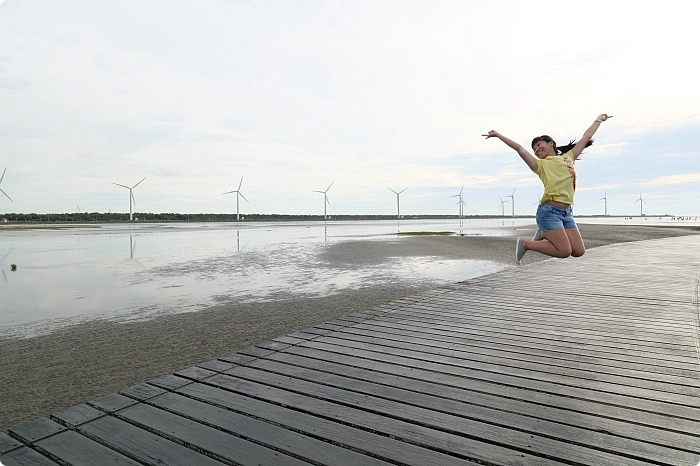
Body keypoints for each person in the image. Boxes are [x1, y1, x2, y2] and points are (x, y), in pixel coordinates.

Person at [483, 114, 612, 264]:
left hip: (567, 213)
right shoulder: (540, 165)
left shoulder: (569, 157)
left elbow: (586, 136)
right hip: (549, 212)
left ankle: (544, 232)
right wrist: (498, 135)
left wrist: (598, 120)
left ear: (551, 143)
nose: (536, 149)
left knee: (578, 251)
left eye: (539, 145)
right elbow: (518, 148)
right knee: (564, 251)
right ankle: (525, 244)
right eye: (534, 149)